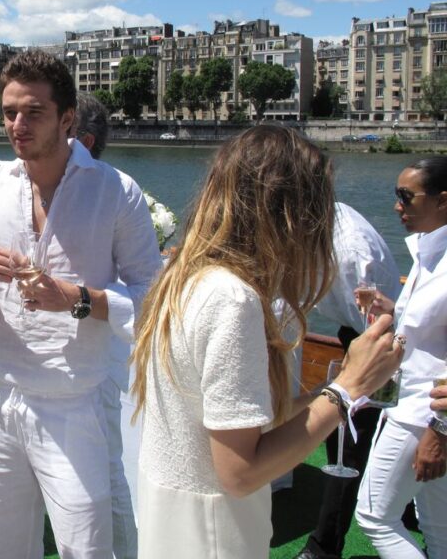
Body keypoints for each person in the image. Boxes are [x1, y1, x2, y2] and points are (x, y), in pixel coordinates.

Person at [131, 126, 404, 559]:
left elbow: (231, 420)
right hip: (213, 533)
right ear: (293, 215)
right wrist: (346, 388)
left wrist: (323, 394)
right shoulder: (233, 299)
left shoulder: (184, 277)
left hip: (172, 516)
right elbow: (240, 472)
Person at [0, 50, 161, 559]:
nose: (17, 125)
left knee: (86, 547)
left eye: (33, 112)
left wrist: (78, 299)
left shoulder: (116, 191)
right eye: (9, 112)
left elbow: (153, 300)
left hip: (73, 401)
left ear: (67, 119)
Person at [296, 202, 402, 559]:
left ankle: (323, 548)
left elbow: (377, 323)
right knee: (349, 441)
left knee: (346, 446)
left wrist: (359, 374)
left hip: (376, 340)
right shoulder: (316, 223)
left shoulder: (353, 251)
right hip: (356, 332)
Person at [355, 157, 447, 559]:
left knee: (375, 517)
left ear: (442, 201)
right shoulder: (429, 253)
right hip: (419, 410)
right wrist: (392, 308)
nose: (397, 206)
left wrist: (439, 433)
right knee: (439, 529)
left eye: (406, 197)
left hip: (423, 415)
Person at [67, 90, 138, 558]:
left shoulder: (118, 192)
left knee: (109, 468)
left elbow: (142, 288)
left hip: (102, 359)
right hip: (61, 369)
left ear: (84, 140)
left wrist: (76, 299)